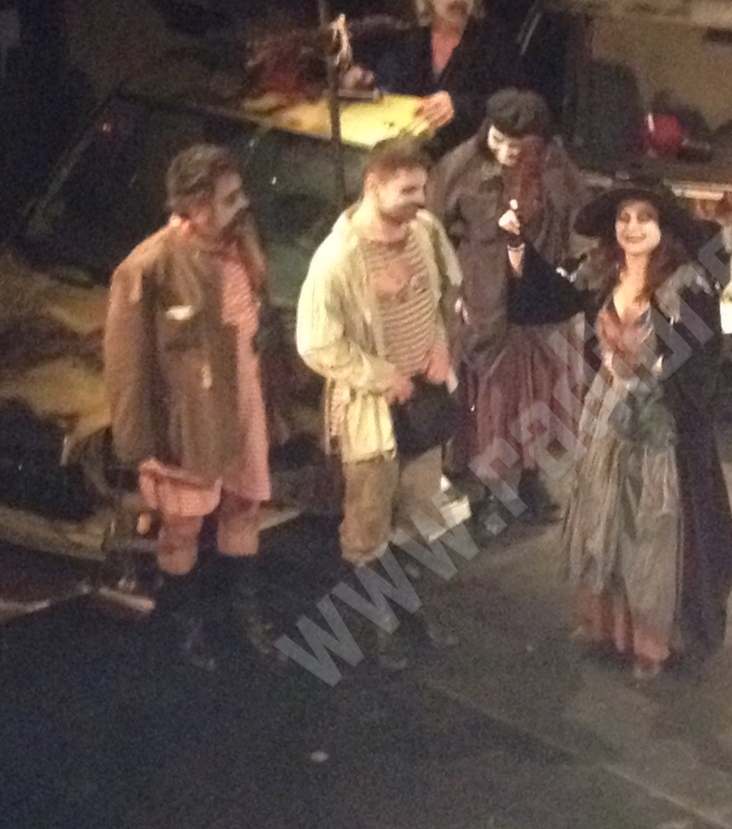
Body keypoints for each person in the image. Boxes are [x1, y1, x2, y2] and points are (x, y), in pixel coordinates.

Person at [505, 182, 732, 680]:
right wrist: (518, 247)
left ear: (663, 228)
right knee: (606, 521)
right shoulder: (602, 275)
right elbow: (548, 298)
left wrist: (663, 392)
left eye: (644, 218)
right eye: (624, 218)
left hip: (661, 426)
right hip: (608, 412)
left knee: (650, 530)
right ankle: (609, 627)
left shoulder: (687, 288)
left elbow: (703, 364)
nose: (632, 227)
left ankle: (651, 641)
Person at [103, 145, 281, 671]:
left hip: (243, 400)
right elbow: (127, 366)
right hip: (189, 418)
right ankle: (183, 628)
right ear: (195, 205)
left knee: (243, 506)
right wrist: (138, 444)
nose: (241, 205)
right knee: (182, 525)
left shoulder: (241, 246)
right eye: (228, 198)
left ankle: (241, 620)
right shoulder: (150, 265)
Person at [296, 138, 465, 667]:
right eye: (407, 190)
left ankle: (411, 611)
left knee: (418, 511)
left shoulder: (426, 231)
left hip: (423, 403)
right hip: (372, 413)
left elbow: (448, 293)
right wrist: (380, 375)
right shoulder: (339, 259)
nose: (420, 199)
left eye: (422, 188)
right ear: (373, 186)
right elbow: (316, 342)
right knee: (368, 525)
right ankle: (379, 624)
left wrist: (441, 343)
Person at [430, 90, 593, 519]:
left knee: (532, 391)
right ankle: (479, 484)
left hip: (534, 298)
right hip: (481, 294)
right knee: (484, 394)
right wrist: (450, 292)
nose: (505, 152)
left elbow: (581, 219)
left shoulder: (553, 166)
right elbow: (432, 230)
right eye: (499, 140)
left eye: (517, 146)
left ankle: (527, 478)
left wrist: (573, 269)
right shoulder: (461, 165)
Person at [343, 0, 520, 157]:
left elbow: (514, 104)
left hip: (471, 156)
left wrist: (459, 106)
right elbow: (391, 83)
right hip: (413, 153)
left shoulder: (495, 42)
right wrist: (366, 85)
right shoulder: (413, 40)